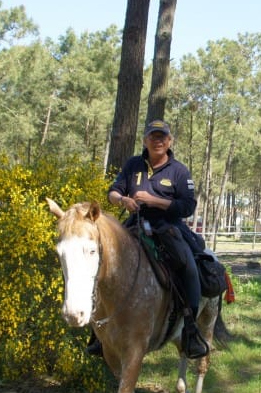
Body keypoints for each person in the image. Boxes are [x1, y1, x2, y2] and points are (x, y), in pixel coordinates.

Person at [88, 119, 208, 359]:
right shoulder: (133, 165)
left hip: (168, 227)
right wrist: (123, 200)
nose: (158, 141)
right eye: (153, 136)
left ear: (170, 141)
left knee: (188, 267)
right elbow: (112, 192)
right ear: (145, 140)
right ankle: (98, 332)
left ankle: (190, 330)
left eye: (162, 136)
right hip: (134, 225)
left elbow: (187, 206)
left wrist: (155, 201)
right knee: (102, 262)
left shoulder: (179, 171)